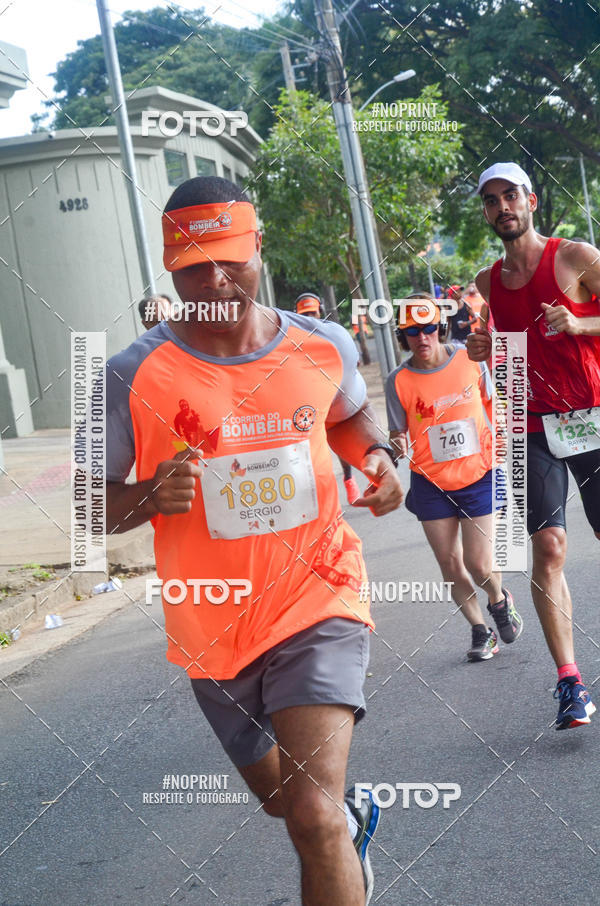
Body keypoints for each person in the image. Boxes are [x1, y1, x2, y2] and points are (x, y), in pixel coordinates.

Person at [105, 176, 404, 905]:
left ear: (259, 246)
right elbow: (89, 506)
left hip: (319, 594)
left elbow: (347, 419)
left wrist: (380, 458)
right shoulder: (128, 375)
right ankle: (348, 822)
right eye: (194, 266)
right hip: (212, 623)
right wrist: (147, 495)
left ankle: (333, 825)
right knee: (283, 803)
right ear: (169, 267)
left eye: (230, 259)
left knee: (310, 814)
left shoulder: (322, 344)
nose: (214, 280)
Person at [467, 160, 600, 729]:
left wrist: (579, 324)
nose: (503, 207)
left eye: (511, 196)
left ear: (531, 201)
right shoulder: (486, 283)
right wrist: (482, 348)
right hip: (530, 424)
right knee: (547, 547)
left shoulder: (575, 257)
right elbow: (503, 346)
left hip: (592, 415)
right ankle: (570, 682)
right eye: (491, 200)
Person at [386, 294, 522, 661]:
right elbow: (397, 432)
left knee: (479, 564)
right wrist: (394, 446)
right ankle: (480, 631)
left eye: (428, 328)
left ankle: (499, 599)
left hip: (479, 473)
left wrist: (502, 434)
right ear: (402, 336)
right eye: (412, 331)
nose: (422, 337)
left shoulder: (469, 359)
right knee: (449, 562)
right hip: (430, 482)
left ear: (440, 328)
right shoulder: (397, 380)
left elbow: (493, 402)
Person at [295, 292, 361, 505]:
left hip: (333, 397)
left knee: (340, 440)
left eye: (313, 313)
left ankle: (349, 479)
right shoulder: (292, 339)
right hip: (307, 401)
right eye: (305, 314)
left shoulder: (333, 335)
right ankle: (317, 492)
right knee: (310, 447)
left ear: (320, 312)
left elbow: (353, 362)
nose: (310, 318)